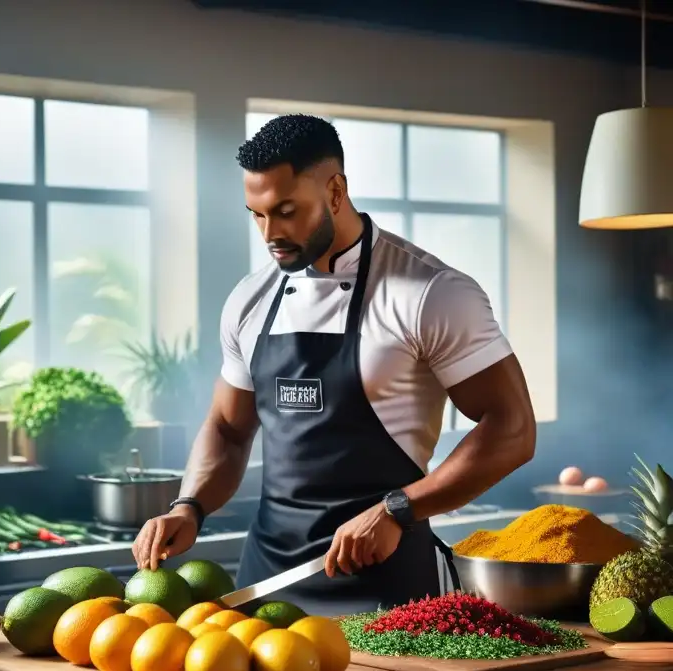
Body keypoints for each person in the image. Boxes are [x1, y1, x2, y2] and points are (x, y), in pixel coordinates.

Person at [131, 114, 536, 616]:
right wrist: (189, 506)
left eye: (286, 211)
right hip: (266, 587)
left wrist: (399, 508)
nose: (269, 233)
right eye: (256, 215)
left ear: (336, 191)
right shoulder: (249, 300)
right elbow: (229, 429)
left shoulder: (431, 293)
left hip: (389, 591)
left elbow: (513, 429)